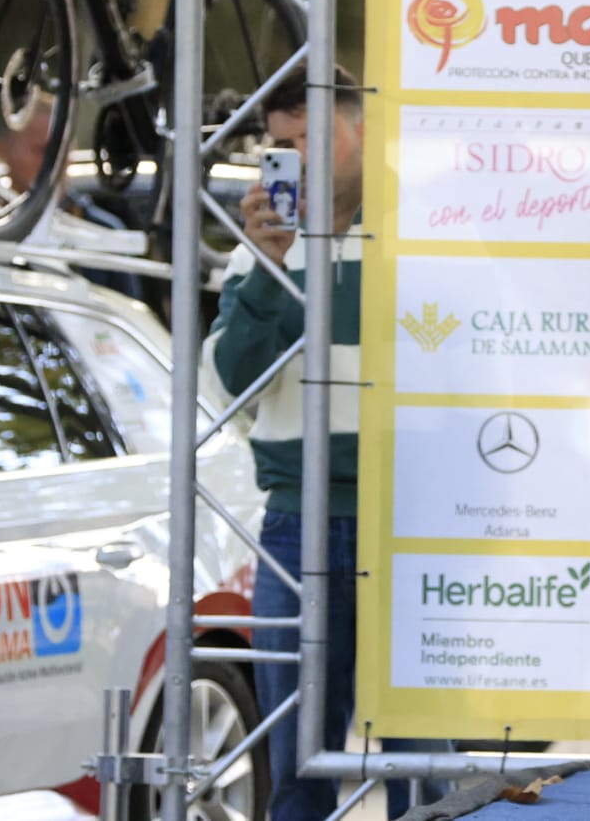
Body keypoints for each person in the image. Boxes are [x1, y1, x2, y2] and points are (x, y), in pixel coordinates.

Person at [201, 67, 449, 820]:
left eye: (309, 138)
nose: (295, 158)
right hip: (295, 526)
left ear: (362, 128)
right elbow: (231, 383)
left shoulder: (430, 228)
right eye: (280, 146)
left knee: (428, 773)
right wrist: (271, 265)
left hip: (416, 520)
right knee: (294, 772)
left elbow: (472, 369)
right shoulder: (260, 251)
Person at [0, 97, 146, 301]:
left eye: (63, 149)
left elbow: (129, 316)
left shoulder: (104, 235)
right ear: (3, 151)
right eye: (43, 150)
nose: (56, 162)